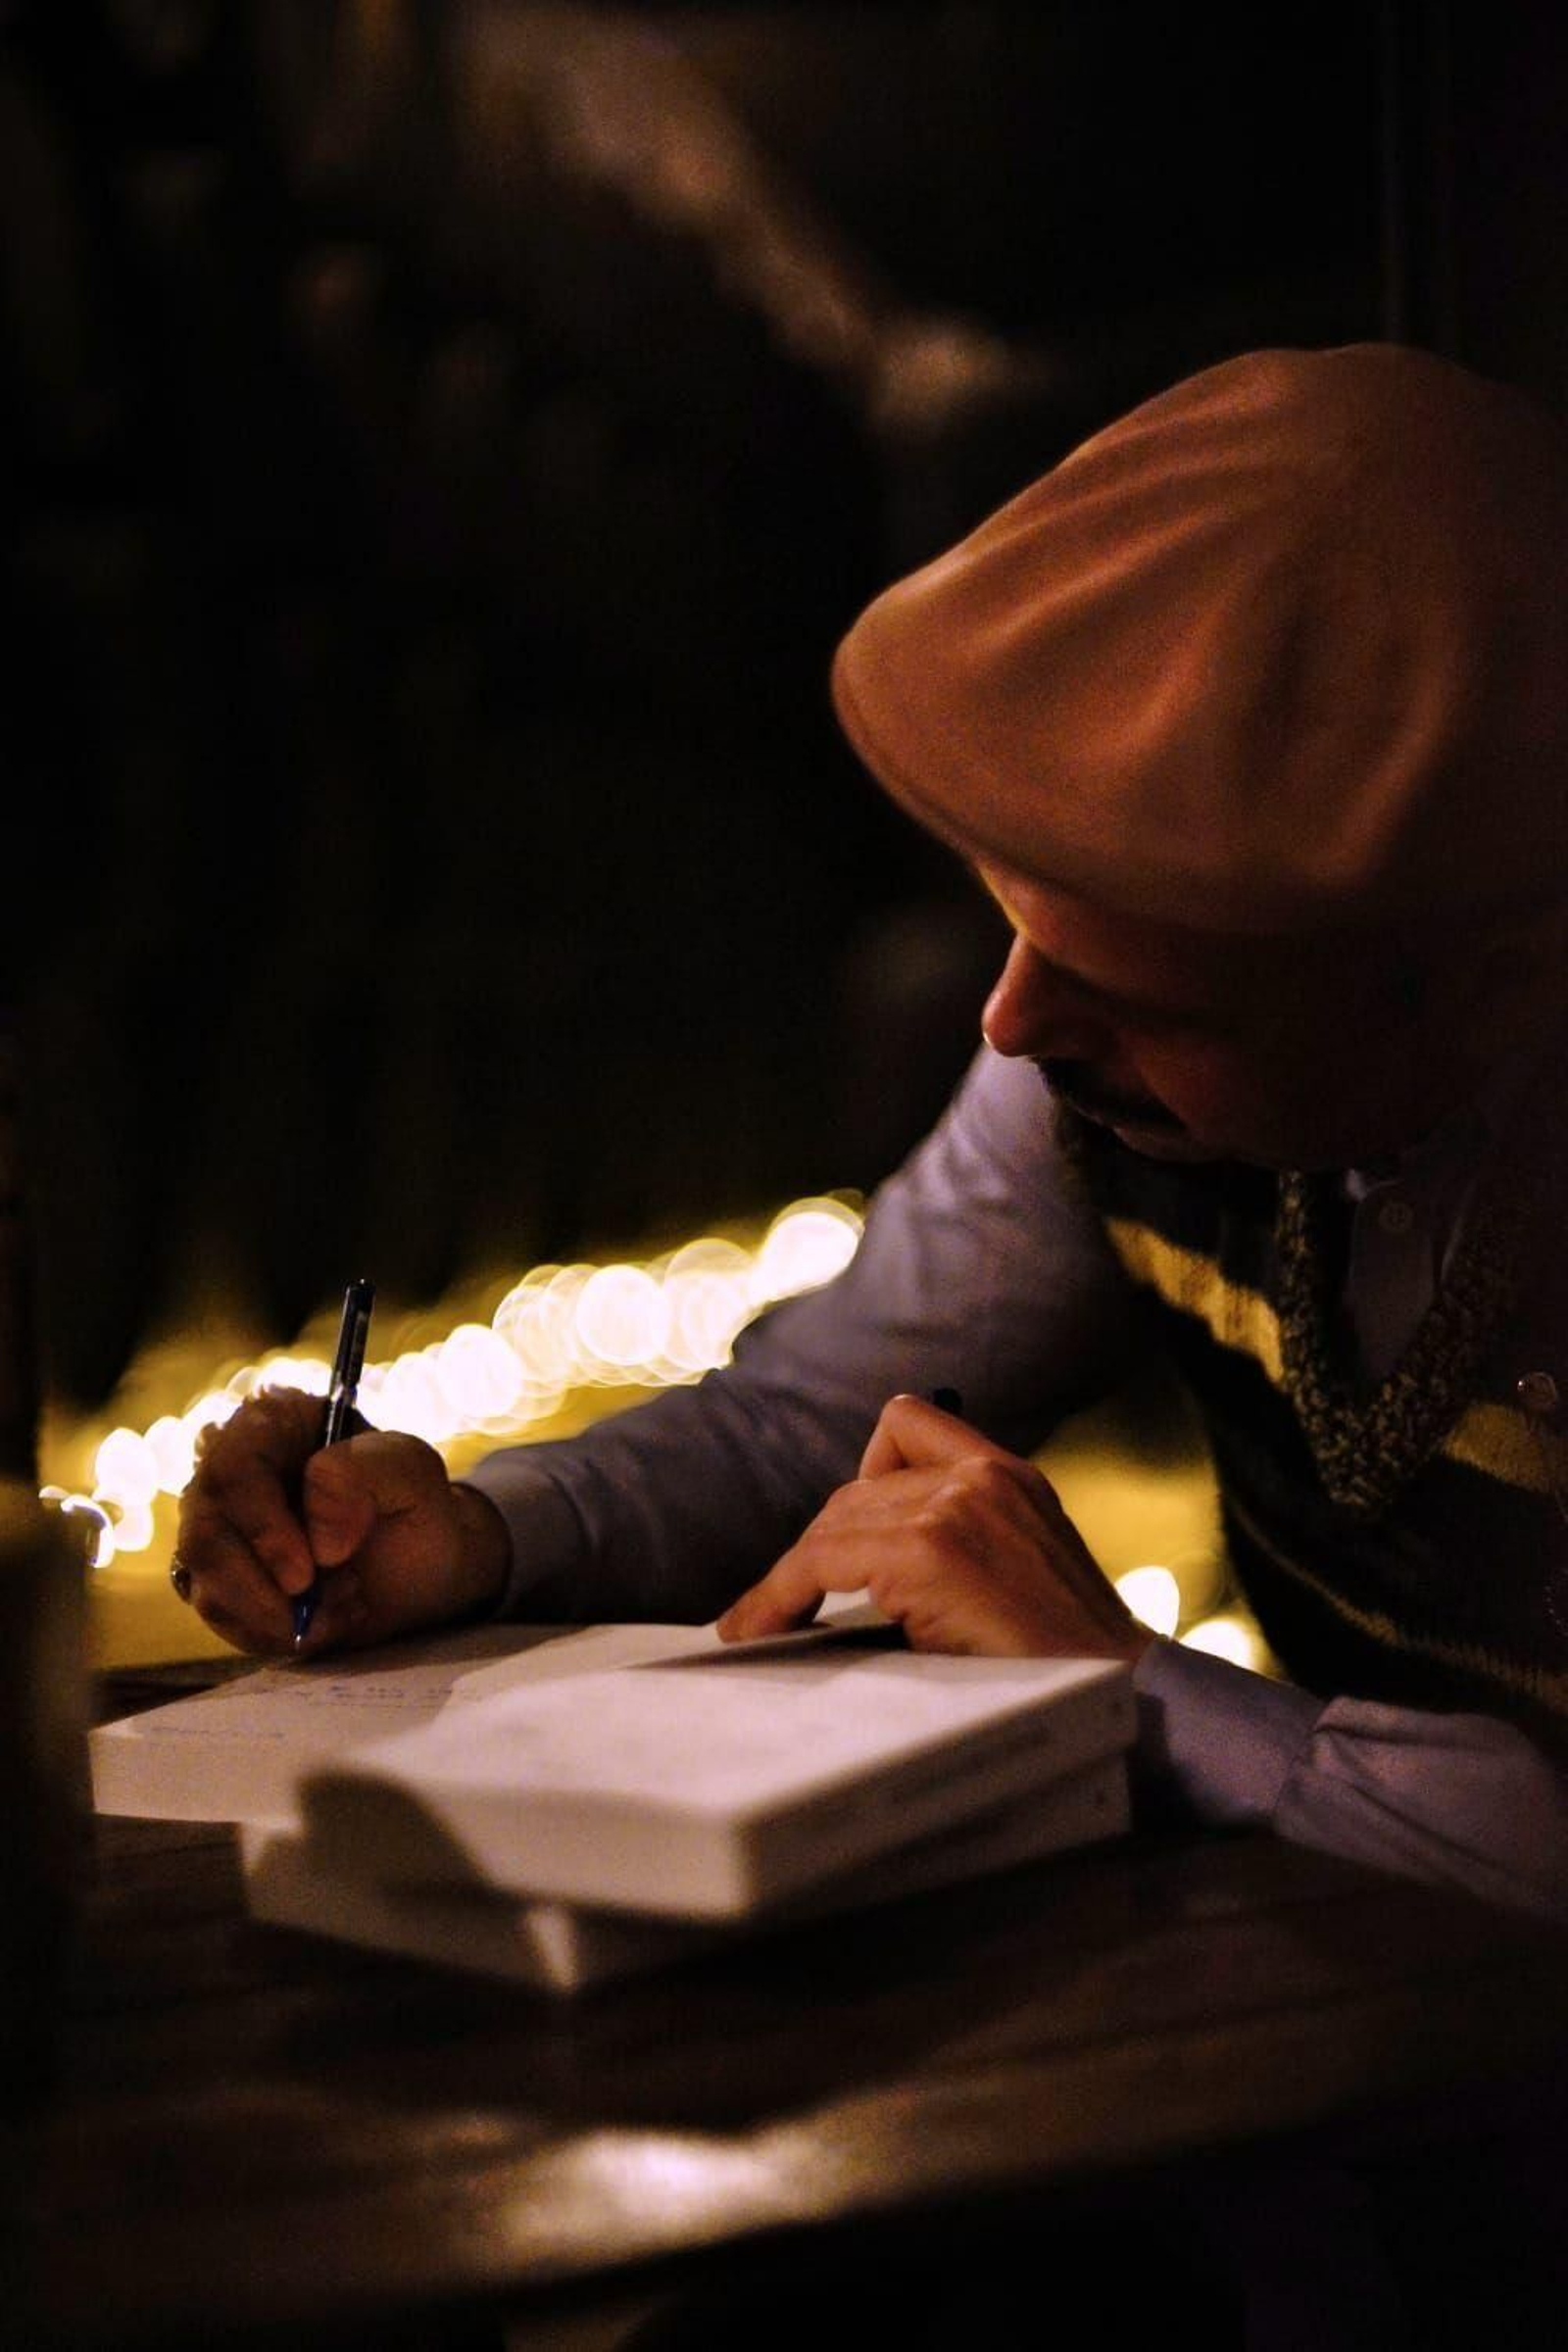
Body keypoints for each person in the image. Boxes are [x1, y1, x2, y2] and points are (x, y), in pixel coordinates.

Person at [174, 342, 1568, 1920]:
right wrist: (475, 1537)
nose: (1011, 1026)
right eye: (1020, 932)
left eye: (1135, 987)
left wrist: (1119, 1680)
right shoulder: (1089, 1085)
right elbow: (807, 1423)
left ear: (1492, 980)